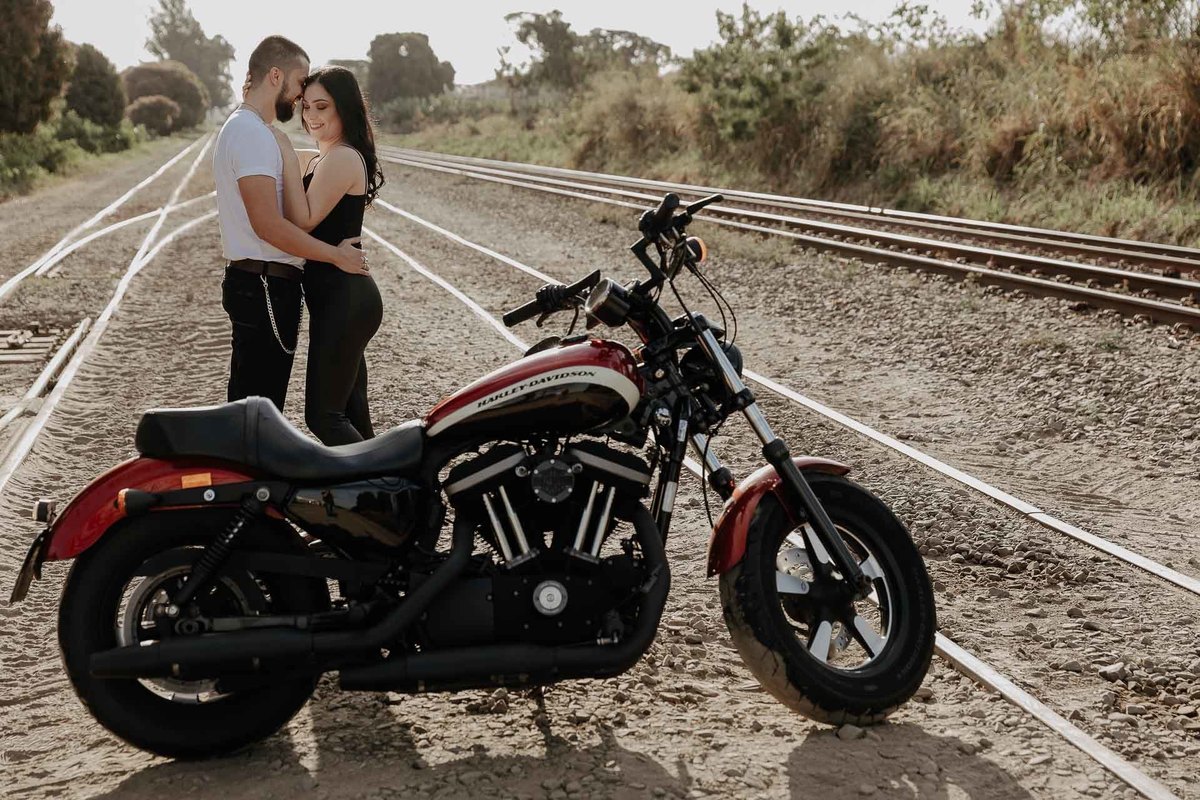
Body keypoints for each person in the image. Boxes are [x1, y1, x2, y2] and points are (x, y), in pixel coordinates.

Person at [213, 36, 369, 412]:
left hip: (264, 284)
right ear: (277, 75)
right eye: (300, 84)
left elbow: (313, 165)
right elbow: (269, 225)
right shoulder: (252, 133)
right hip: (264, 285)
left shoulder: (252, 130)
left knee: (258, 410)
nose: (300, 98)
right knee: (258, 415)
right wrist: (334, 255)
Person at [270, 66, 384, 445]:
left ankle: (385, 494)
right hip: (339, 297)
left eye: (322, 107)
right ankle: (384, 495)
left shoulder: (341, 159)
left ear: (344, 109)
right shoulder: (326, 156)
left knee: (323, 417)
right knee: (352, 414)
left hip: (345, 299)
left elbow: (303, 221)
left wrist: (284, 149)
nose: (311, 116)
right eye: (306, 106)